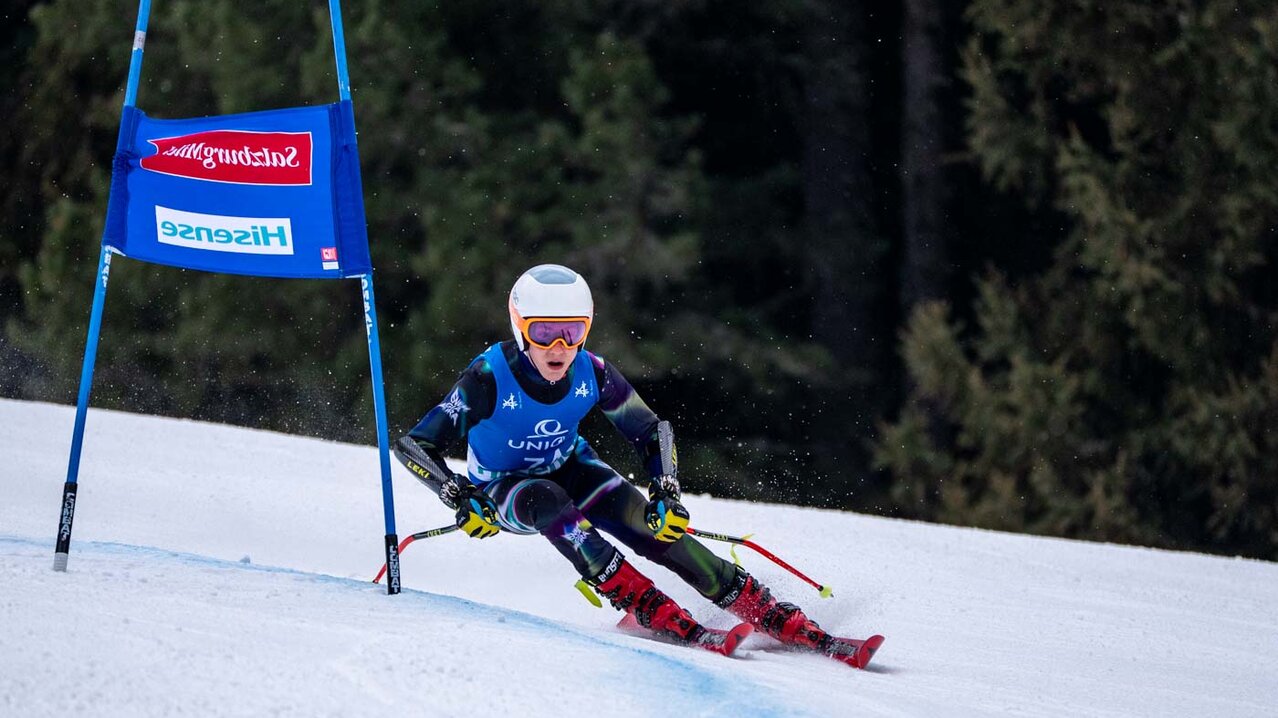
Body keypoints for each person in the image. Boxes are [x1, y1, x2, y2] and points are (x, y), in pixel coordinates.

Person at [393, 263, 833, 652]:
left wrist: (666, 489)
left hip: (571, 467)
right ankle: (642, 600)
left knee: (652, 525)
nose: (559, 347)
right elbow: (414, 444)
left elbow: (650, 428)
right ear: (519, 326)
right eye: (544, 332)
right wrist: (459, 495)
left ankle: (762, 606)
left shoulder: (592, 371)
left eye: (574, 331)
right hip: (504, 489)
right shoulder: (488, 377)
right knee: (546, 498)